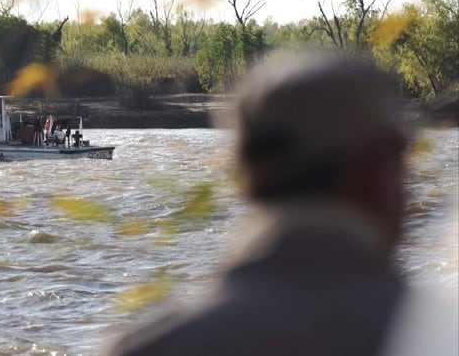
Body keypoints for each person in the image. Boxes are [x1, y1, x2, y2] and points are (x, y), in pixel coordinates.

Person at [103, 51, 414, 356]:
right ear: (376, 170)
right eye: (402, 161)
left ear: (242, 173)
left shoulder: (150, 345)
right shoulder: (437, 331)